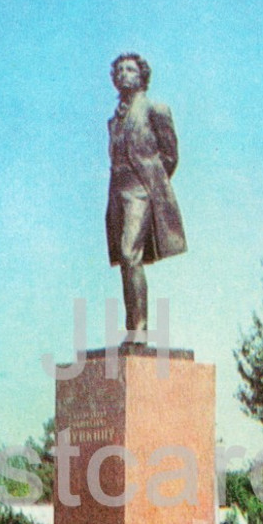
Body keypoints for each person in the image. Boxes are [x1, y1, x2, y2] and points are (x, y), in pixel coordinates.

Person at [105, 53, 187, 343]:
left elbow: (170, 156)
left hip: (141, 189)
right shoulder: (114, 120)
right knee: (126, 260)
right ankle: (132, 329)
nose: (124, 74)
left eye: (131, 69)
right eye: (120, 70)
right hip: (118, 192)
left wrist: (152, 185)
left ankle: (138, 329)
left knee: (130, 253)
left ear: (142, 76)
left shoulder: (156, 109)